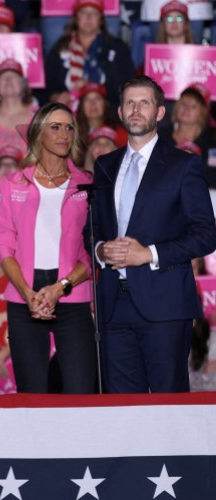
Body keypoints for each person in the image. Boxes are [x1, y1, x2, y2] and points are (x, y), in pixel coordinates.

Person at [91, 75, 216, 393]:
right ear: (119, 112)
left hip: (165, 304)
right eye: (129, 102)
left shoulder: (184, 165)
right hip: (112, 305)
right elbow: (89, 230)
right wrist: (101, 251)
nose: (136, 109)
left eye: (144, 102)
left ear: (160, 113)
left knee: (167, 406)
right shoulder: (104, 164)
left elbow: (205, 234)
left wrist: (150, 253)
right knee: (120, 411)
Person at [0, 102, 97, 394]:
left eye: (69, 127)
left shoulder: (87, 185)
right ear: (38, 134)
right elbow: (3, 245)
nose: (64, 134)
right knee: (32, 394)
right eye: (55, 127)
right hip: (24, 294)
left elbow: (92, 251)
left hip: (72, 292)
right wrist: (28, 293)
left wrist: (60, 287)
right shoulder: (13, 183)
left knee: (80, 392)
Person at [44, 0, 133, 110]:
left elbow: (127, 88)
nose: (88, 17)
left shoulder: (118, 48)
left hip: (108, 114)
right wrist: (55, 97)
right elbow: (47, 86)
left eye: (94, 13)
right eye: (83, 12)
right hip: (68, 112)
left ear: (101, 20)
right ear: (76, 18)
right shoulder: (61, 47)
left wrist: (94, 92)